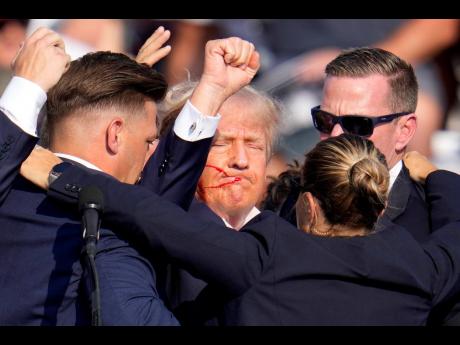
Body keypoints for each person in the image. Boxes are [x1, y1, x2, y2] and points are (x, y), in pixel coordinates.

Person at [21, 133, 460, 325]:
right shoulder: (421, 268)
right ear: (379, 206)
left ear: (307, 204)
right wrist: (436, 176)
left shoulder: (266, 256)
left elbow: (151, 216)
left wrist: (61, 173)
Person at [0, 25, 260, 325]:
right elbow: (146, 205)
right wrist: (27, 85)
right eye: (150, 141)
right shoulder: (114, 219)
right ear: (115, 134)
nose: (152, 152)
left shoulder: (11, 192)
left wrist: (210, 91)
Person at [268, 47, 432, 244]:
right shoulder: (288, 196)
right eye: (325, 120)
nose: (336, 135)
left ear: (404, 131)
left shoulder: (434, 215)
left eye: (357, 124)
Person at [155, 81, 281, 321]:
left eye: (254, 145)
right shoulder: (163, 236)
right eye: (221, 143)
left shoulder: (285, 236)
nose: (241, 161)